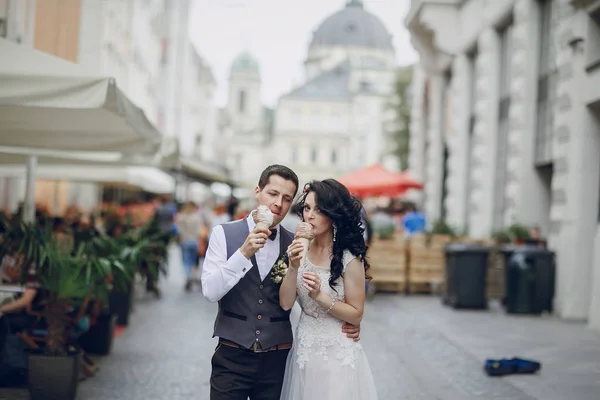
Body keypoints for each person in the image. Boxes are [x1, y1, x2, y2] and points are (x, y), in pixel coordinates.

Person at [201, 165, 360, 400]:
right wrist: (243, 252)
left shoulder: (294, 244)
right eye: (272, 194)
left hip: (277, 359)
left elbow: (297, 299)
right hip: (232, 356)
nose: (278, 203)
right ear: (257, 191)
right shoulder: (223, 234)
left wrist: (345, 321)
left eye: (287, 199)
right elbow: (210, 291)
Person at [279, 179, 378, 399]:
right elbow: (286, 303)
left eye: (318, 209)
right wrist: (293, 267)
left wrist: (320, 296)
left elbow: (357, 313)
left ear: (333, 214)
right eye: (306, 208)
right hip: (304, 349)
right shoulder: (297, 249)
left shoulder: (349, 258)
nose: (309, 215)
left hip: (336, 351)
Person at [175, 201, 204, 291]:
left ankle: (188, 276)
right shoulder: (197, 217)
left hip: (184, 241)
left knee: (185, 261)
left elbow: (178, 230)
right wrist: (200, 242)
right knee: (194, 261)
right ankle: (192, 276)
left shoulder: (180, 217)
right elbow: (200, 232)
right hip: (194, 241)